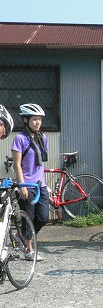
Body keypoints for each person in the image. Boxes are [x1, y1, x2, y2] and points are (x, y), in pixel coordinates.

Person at [11, 103, 49, 261]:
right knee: (29, 218)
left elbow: (41, 164)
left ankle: (21, 238)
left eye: (39, 120)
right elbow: (17, 164)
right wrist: (22, 185)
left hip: (41, 185)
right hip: (27, 185)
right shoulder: (20, 138)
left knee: (43, 218)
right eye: (34, 119)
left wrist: (46, 185)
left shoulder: (43, 138)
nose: (38, 122)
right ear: (26, 120)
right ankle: (29, 250)